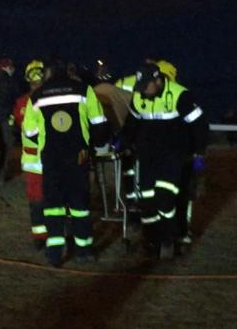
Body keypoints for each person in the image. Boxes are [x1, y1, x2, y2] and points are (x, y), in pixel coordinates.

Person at [22, 60, 110, 267]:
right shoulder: (84, 90)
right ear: (69, 73)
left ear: (49, 73)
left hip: (51, 159)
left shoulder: (36, 96)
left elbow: (30, 132)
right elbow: (99, 123)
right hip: (77, 157)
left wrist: (47, 141)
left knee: (53, 206)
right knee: (80, 206)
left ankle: (54, 254)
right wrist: (93, 145)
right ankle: (84, 251)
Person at [120, 63, 208, 260]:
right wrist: (122, 141)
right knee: (147, 200)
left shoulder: (180, 96)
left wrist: (199, 154)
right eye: (139, 87)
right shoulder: (139, 96)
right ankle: (151, 239)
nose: (142, 92)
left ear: (158, 81)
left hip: (173, 155)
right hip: (147, 156)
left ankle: (168, 239)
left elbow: (199, 125)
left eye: (146, 87)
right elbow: (132, 123)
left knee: (165, 197)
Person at [12, 60, 48, 249]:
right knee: (36, 200)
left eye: (39, 82)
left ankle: (55, 233)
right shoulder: (22, 103)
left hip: (50, 159)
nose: (36, 85)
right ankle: (40, 236)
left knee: (53, 199)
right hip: (34, 160)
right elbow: (21, 125)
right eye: (33, 82)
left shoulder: (50, 99)